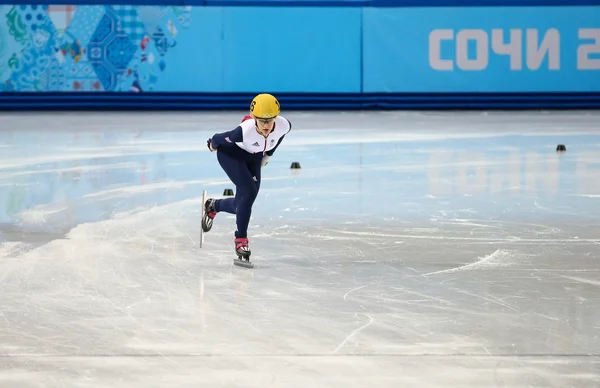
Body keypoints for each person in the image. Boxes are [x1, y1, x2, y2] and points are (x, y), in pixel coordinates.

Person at [202, 93, 292, 259]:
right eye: (262, 120)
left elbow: (278, 137)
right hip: (231, 156)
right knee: (248, 192)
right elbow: (218, 138)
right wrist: (212, 145)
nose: (266, 125)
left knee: (242, 204)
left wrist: (269, 154)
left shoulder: (284, 125)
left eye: (270, 120)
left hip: (254, 157)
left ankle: (214, 206)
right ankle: (240, 240)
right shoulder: (243, 131)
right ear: (253, 117)